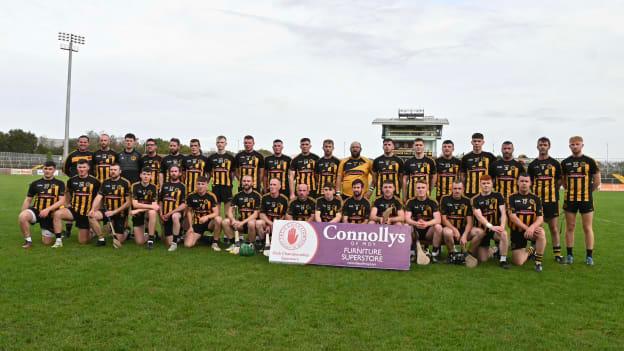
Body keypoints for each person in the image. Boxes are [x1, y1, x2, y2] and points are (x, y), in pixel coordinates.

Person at [561, 136, 600, 265]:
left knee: (587, 227)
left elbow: (597, 181)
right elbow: (564, 182)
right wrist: (571, 191)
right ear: (569, 146)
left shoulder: (590, 161)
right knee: (570, 227)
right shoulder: (565, 162)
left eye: (577, 144)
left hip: (586, 199)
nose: (575, 146)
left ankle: (589, 256)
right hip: (570, 199)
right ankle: (570, 255)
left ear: (582, 145)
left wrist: (587, 192)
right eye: (572, 144)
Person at [527, 137, 563, 262]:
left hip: (552, 201)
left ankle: (557, 254)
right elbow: (529, 182)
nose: (543, 147)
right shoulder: (532, 165)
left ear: (549, 146)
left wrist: (552, 190)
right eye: (541, 144)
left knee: (554, 228)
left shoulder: (555, 163)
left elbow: (559, 180)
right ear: (537, 146)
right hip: (537, 203)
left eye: (545, 145)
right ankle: (533, 251)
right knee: (536, 229)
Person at [52, 159, 101, 247]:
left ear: (88, 168)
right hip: (74, 210)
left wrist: (95, 209)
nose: (81, 169)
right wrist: (67, 204)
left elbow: (100, 197)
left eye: (84, 167)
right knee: (57, 214)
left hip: (87, 212)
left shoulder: (95, 181)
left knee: (83, 241)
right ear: (77, 168)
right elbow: (66, 192)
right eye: (80, 167)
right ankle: (58, 240)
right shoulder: (71, 180)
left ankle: (92, 231)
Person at [18, 161, 65, 248]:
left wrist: (48, 209)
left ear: (54, 170)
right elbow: (28, 199)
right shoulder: (35, 183)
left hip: (50, 213)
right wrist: (23, 213)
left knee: (47, 242)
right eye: (45, 168)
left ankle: (54, 229)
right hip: (37, 210)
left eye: (50, 169)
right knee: (23, 216)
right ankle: (28, 241)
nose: (47, 171)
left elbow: (62, 201)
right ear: (43, 169)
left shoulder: (60, 183)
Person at [508, 173, 547, 272]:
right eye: (521, 181)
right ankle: (531, 250)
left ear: (530, 183)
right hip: (517, 231)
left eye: (526, 181)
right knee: (518, 262)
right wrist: (527, 228)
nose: (524, 183)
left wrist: (532, 228)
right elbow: (512, 217)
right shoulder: (511, 197)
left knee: (541, 233)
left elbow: (540, 218)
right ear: (517, 182)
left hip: (532, 230)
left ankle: (538, 262)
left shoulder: (536, 198)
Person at [470, 175, 510, 268]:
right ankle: (495, 250)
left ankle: (503, 260)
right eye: (484, 183)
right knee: (483, 259)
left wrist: (502, 226)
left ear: (492, 184)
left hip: (495, 230)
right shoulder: (475, 199)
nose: (486, 185)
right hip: (483, 230)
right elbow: (479, 216)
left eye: (488, 183)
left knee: (503, 233)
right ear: (480, 184)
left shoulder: (498, 196)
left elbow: (503, 212)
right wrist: (490, 226)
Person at [89, 163, 132, 248]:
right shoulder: (105, 182)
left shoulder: (125, 182)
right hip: (107, 212)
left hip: (120, 212)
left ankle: (126, 231)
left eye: (115, 170)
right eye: (111, 170)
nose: (113, 171)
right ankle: (101, 239)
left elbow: (128, 203)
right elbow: (98, 197)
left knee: (120, 240)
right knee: (91, 216)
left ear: (120, 171)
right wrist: (92, 209)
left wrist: (114, 212)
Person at [62, 135, 93, 237]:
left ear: (88, 143)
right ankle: (68, 231)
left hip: (89, 186)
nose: (83, 144)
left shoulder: (92, 155)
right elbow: (65, 169)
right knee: (71, 205)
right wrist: (73, 178)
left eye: (85, 142)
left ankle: (90, 229)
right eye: (81, 142)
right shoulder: (72, 155)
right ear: (77, 143)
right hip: (74, 185)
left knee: (89, 206)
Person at [405, 181, 443, 262]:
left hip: (428, 232)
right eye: (418, 188)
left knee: (438, 227)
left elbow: (438, 219)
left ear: (427, 189)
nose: (420, 190)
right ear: (415, 189)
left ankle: (434, 254)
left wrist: (426, 224)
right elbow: (407, 218)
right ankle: (411, 253)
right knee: (406, 226)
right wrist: (416, 223)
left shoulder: (432, 202)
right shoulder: (411, 201)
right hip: (415, 231)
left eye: (423, 188)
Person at [223, 175, 262, 250]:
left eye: (248, 181)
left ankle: (251, 245)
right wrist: (233, 220)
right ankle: (235, 243)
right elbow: (230, 210)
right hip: (241, 224)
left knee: (251, 223)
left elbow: (255, 214)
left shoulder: (257, 196)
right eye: (244, 181)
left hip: (253, 225)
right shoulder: (237, 195)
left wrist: (243, 222)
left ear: (252, 183)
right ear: (241, 183)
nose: (246, 183)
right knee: (225, 222)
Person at [184, 176, 221, 250]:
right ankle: (205, 238)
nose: (200, 186)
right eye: (198, 184)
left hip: (209, 222)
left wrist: (207, 217)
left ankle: (215, 242)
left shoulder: (211, 196)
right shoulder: (191, 196)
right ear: (196, 185)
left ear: (207, 185)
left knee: (218, 219)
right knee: (188, 245)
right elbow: (189, 212)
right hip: (197, 223)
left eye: (203, 184)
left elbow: (216, 213)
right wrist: (190, 227)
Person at [440, 180, 473, 259]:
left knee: (479, 232)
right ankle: (452, 254)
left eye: (459, 188)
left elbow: (470, 222)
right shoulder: (445, 199)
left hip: (463, 229)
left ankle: (467, 254)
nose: (457, 191)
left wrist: (464, 235)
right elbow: (444, 219)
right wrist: (454, 229)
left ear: (463, 189)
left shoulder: (467, 201)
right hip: (450, 228)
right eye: (455, 188)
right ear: (451, 189)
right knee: (447, 232)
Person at [207, 136, 236, 223]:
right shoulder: (211, 158)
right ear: (216, 144)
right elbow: (208, 174)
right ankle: (216, 235)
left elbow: (232, 173)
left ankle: (230, 234)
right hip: (216, 188)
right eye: (218, 142)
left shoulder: (231, 158)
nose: (220, 144)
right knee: (216, 214)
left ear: (226, 144)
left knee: (228, 214)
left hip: (227, 188)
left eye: (222, 142)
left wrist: (230, 183)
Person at [159, 165, 187, 251]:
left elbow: (183, 205)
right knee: (167, 242)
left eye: (175, 171)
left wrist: (169, 213)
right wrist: (161, 214)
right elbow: (160, 201)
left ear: (180, 173)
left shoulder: (182, 186)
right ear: (169, 173)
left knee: (175, 216)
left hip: (176, 214)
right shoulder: (164, 185)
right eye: (172, 171)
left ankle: (175, 243)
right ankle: (178, 237)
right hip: (165, 216)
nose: (173, 173)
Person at [256, 178, 290, 250]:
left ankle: (279, 245)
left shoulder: (284, 199)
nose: (272, 186)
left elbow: (285, 215)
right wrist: (270, 224)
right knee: (258, 223)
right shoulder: (264, 197)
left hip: (279, 224)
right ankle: (264, 243)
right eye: (271, 184)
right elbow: (261, 214)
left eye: (274, 185)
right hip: (268, 223)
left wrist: (277, 224)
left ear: (279, 187)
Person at [460, 133, 497, 199]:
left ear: (483, 142)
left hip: (486, 192)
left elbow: (495, 174)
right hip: (469, 192)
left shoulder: (490, 157)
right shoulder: (466, 157)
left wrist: (490, 186)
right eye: (474, 141)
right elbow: (463, 175)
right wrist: (464, 186)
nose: (476, 143)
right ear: (471, 142)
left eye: (479, 141)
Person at [130, 167, 159, 249]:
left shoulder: (154, 187)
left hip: (144, 212)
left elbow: (155, 207)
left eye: (148, 174)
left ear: (151, 176)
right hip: (138, 214)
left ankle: (151, 238)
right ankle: (150, 233)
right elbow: (135, 204)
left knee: (152, 212)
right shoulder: (134, 186)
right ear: (140, 175)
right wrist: (139, 209)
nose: (146, 176)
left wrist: (139, 209)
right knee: (139, 242)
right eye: (144, 174)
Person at [435, 140, 461, 204]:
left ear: (453, 149)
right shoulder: (436, 162)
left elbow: (461, 177)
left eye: (449, 147)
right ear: (442, 149)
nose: (447, 148)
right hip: (440, 194)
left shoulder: (458, 162)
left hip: (454, 194)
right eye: (444, 146)